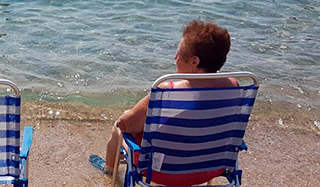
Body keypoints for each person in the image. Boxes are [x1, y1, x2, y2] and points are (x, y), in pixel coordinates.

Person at [94, 20, 238, 175]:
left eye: (179, 53)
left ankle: (108, 171)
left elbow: (126, 125)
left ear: (194, 61)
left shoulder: (168, 91)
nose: (175, 57)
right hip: (210, 168)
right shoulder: (233, 86)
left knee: (118, 127)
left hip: (163, 171)